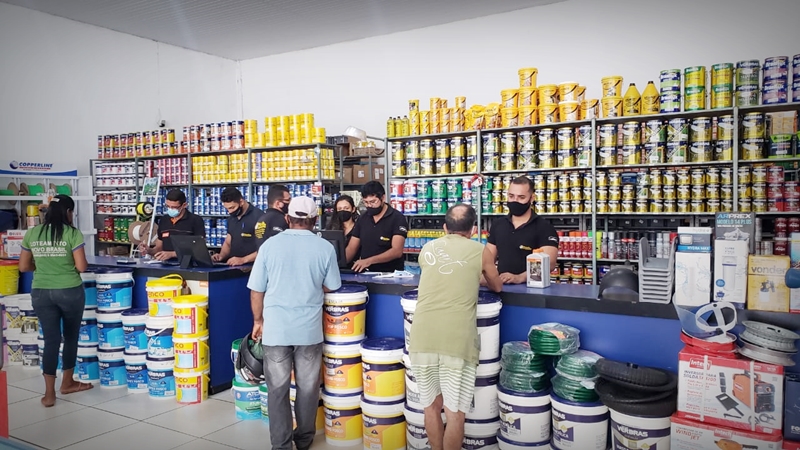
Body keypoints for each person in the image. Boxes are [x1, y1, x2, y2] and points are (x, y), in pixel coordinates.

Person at [248, 196, 341, 450]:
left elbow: (256, 290)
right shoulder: (325, 248)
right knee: (308, 388)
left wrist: (258, 320)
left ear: (287, 218)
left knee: (277, 389)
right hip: (308, 331)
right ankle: (304, 439)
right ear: (315, 220)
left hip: (276, 329)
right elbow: (332, 285)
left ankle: (281, 444)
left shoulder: (269, 246)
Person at [408, 204, 502, 450]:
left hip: (422, 337)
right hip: (456, 342)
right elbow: (497, 285)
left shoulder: (427, 248)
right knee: (455, 413)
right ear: (473, 230)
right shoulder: (480, 251)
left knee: (430, 407)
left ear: (444, 227)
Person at [18, 195, 92, 407]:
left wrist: (42, 267)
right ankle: (67, 383)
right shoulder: (72, 233)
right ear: (68, 212)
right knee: (70, 337)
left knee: (51, 340)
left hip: (41, 291)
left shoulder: (33, 232)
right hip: (69, 291)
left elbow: (23, 266)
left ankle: (49, 394)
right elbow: (82, 267)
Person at [485, 176, 559, 284]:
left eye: (521, 197)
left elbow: (549, 264)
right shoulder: (498, 224)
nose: (515, 201)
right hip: (502, 286)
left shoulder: (544, 227)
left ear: (532, 198)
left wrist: (520, 278)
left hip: (532, 288)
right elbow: (488, 260)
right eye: (511, 196)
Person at [345, 181, 407, 273]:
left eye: (373, 202)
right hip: (366, 273)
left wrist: (369, 261)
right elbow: (351, 248)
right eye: (366, 202)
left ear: (383, 198)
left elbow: (397, 251)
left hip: (391, 274)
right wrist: (338, 263)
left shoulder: (397, 218)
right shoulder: (362, 218)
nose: (369, 205)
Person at [141, 189, 205, 261]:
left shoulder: (195, 220)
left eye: (174, 207)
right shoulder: (164, 220)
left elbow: (199, 249)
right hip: (166, 264)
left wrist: (172, 254)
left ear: (184, 205)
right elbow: (159, 249)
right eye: (168, 206)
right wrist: (148, 250)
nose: (170, 209)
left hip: (188, 264)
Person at [212, 187, 264, 266]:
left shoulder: (259, 217)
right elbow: (228, 243)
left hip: (252, 267)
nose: (230, 212)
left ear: (241, 202)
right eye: (227, 209)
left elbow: (265, 248)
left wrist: (243, 260)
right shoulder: (231, 219)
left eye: (232, 208)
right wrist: (221, 256)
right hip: (233, 266)